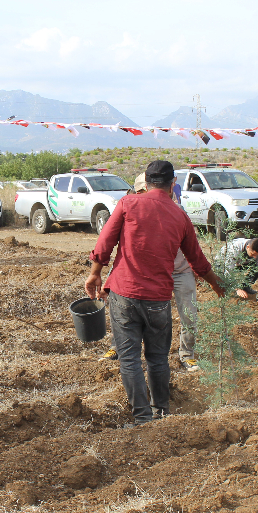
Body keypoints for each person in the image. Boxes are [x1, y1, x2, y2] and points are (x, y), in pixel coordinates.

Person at [85, 160, 226, 426]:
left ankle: (142, 418)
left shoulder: (128, 204)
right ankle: (161, 412)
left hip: (124, 294)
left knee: (129, 359)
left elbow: (105, 243)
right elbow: (198, 261)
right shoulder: (180, 216)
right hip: (158, 301)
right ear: (173, 184)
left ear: (145, 183)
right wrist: (217, 285)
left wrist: (95, 273)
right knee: (158, 358)